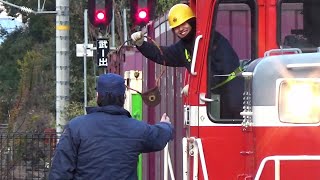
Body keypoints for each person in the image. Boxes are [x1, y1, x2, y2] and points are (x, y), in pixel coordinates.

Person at [49, 73, 174, 180]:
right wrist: (166, 125)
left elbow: (60, 172)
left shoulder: (75, 127)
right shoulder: (137, 129)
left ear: (98, 96)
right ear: (123, 98)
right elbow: (159, 137)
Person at [131, 3, 243, 119]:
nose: (180, 29)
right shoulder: (183, 47)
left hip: (233, 95)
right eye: (176, 27)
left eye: (183, 24)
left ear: (191, 21)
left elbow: (223, 68)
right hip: (214, 100)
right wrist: (142, 45)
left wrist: (196, 86)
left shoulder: (212, 40)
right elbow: (162, 55)